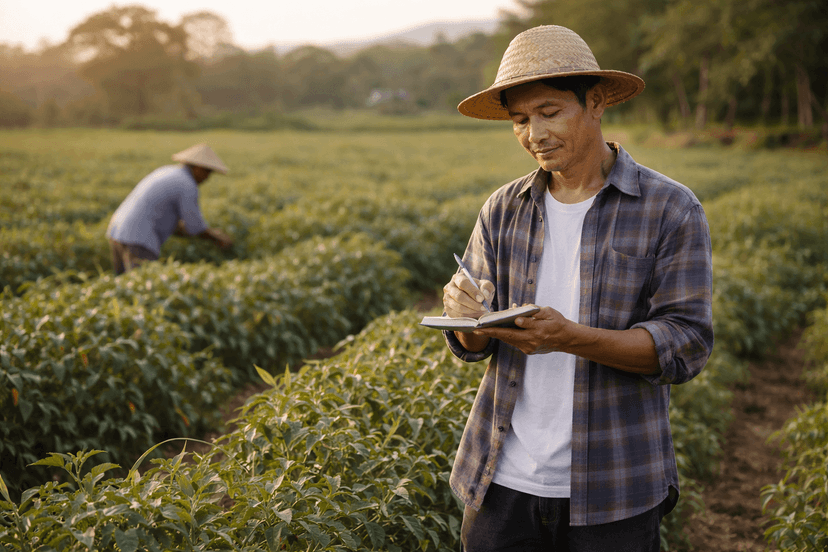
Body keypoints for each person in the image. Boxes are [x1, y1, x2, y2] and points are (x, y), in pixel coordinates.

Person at [441, 25, 714, 551]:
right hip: (503, 478)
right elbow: (471, 345)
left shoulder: (669, 208)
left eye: (549, 112)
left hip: (616, 483)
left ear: (596, 103)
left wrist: (569, 337)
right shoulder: (503, 208)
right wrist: (466, 314)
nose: (534, 134)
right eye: (520, 120)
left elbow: (685, 345)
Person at [106, 143, 234, 274]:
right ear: (197, 167)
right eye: (207, 171)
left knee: (123, 284)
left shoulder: (166, 171)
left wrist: (205, 234)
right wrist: (218, 239)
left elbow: (169, 222)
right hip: (139, 238)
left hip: (117, 231)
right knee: (143, 285)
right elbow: (194, 227)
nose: (207, 178)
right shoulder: (187, 185)